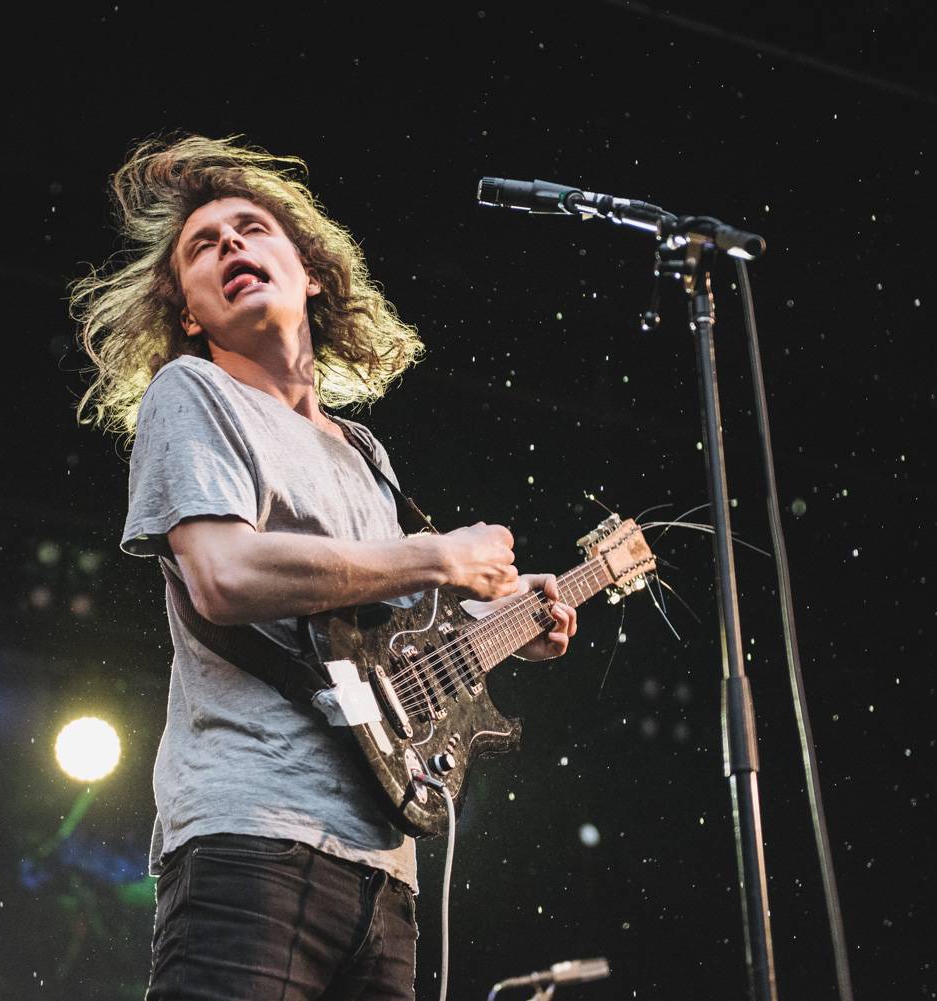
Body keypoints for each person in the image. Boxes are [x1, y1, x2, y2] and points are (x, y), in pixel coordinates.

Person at [71, 134, 577, 1001]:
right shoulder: (193, 395)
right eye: (204, 244)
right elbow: (224, 576)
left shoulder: (369, 454)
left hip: (388, 866)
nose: (231, 244)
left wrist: (510, 620)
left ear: (309, 272)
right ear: (188, 313)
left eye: (251, 228)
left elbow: (402, 649)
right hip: (251, 832)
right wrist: (434, 554)